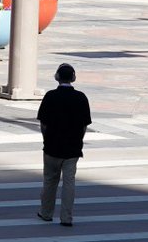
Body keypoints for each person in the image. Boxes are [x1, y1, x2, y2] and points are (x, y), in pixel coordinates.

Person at [37, 63, 92, 228]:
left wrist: (46, 139)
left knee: (49, 180)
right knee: (69, 182)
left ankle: (46, 213)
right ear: (73, 78)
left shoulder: (50, 96)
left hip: (52, 147)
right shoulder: (81, 97)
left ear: (57, 77)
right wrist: (78, 140)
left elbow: (43, 123)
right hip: (73, 148)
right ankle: (66, 217)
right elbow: (84, 125)